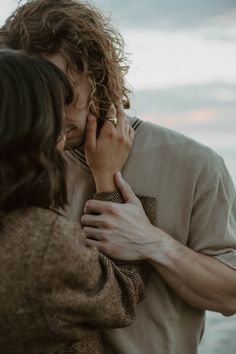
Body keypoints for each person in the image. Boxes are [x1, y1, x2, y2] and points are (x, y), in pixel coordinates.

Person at [1, 1, 236, 353]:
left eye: (63, 95)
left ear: (97, 75)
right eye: (37, 96)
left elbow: (229, 296)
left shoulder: (194, 163)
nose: (52, 113)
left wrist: (154, 243)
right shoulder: (16, 165)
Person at [0, 49, 155, 354]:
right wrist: (108, 179)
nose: (62, 134)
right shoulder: (41, 242)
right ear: (30, 129)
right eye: (53, 116)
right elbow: (119, 299)